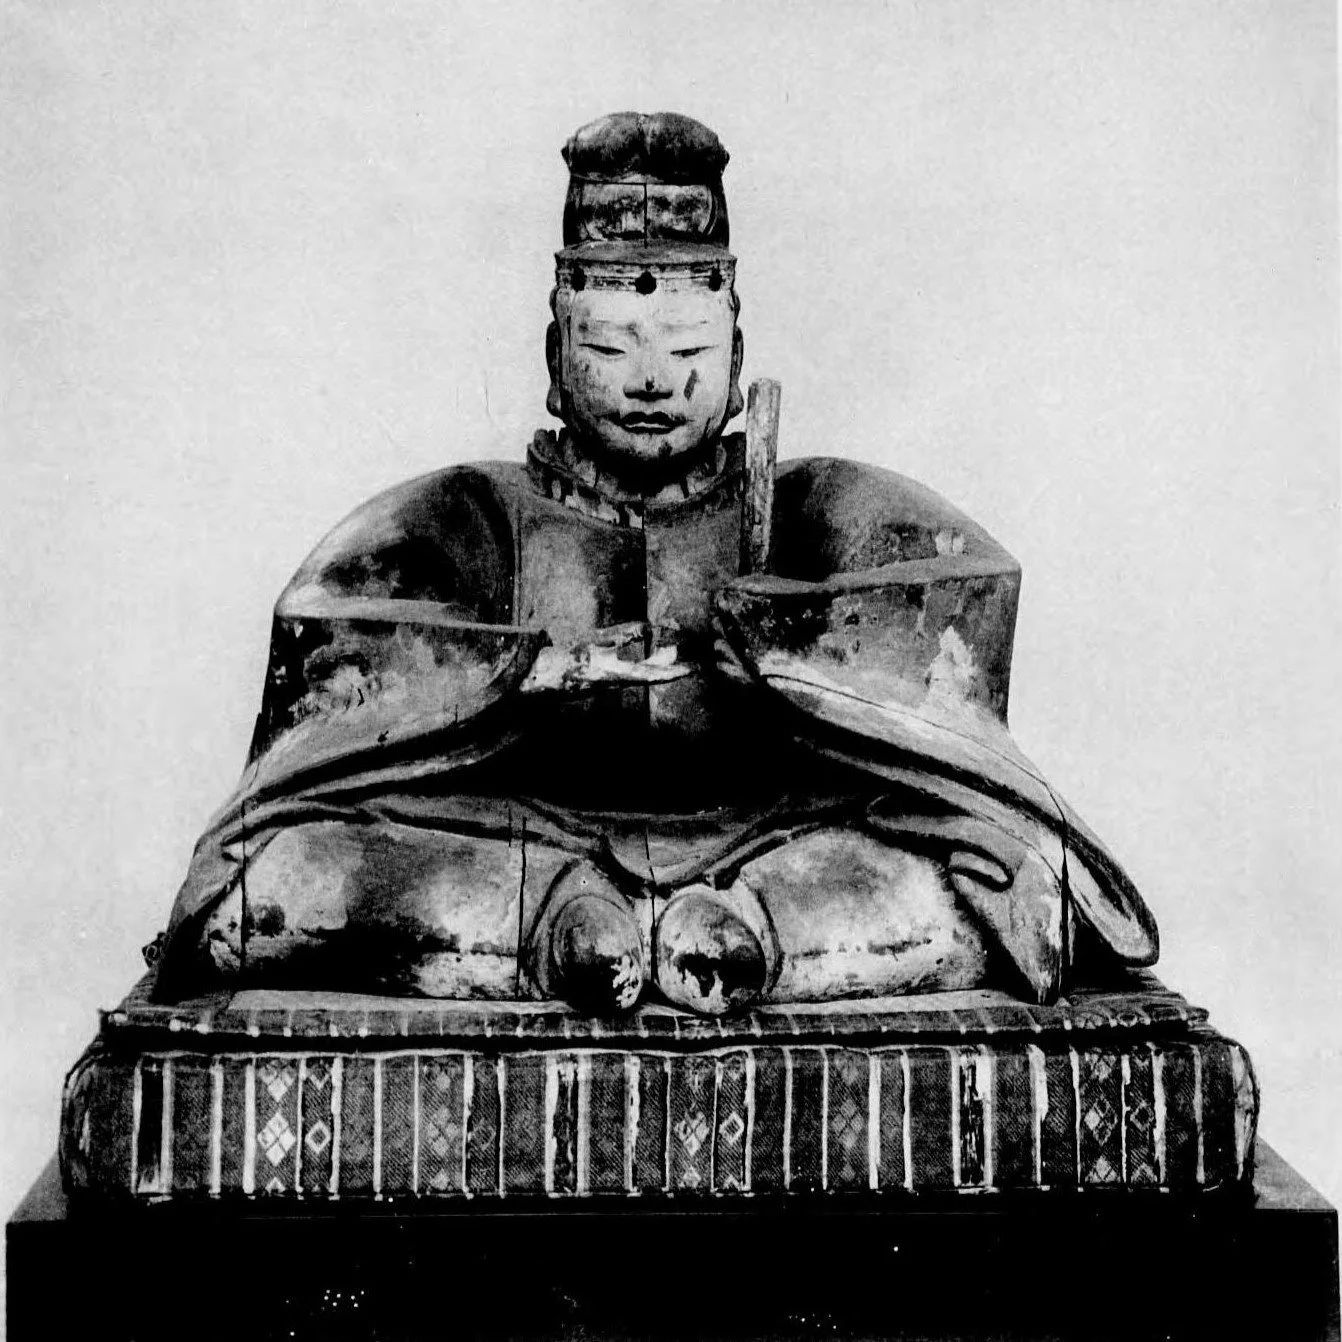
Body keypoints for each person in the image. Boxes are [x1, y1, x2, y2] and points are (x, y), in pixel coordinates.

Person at [156, 111, 1157, 1015]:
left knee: (1006, 874)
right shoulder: (474, 513)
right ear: (556, 358)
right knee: (273, 875)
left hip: (779, 834)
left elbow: (949, 613)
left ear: (736, 355)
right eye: (611, 347)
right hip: (512, 836)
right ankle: (562, 932)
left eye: (686, 351)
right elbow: (343, 648)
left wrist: (791, 648)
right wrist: (530, 672)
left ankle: (743, 934)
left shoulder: (812, 505)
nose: (649, 381)